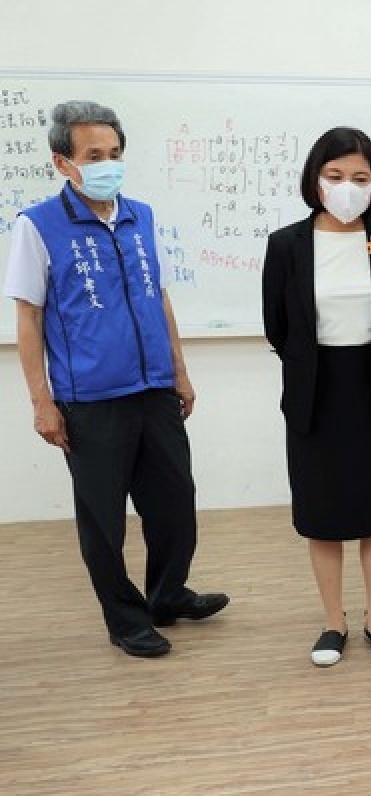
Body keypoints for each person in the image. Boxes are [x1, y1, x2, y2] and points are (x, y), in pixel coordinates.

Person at [3, 100, 228, 658]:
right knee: (104, 519)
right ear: (64, 163)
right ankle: (126, 619)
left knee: (175, 501)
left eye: (116, 153)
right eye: (95, 155)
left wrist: (179, 370)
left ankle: (168, 594)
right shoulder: (37, 226)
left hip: (154, 388)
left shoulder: (140, 216)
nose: (109, 163)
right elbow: (27, 316)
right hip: (90, 400)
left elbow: (160, 298)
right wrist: (42, 401)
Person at [262, 127, 371, 666]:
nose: (347, 187)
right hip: (315, 392)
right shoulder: (286, 245)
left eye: (359, 177)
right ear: (314, 179)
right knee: (322, 514)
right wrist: (314, 363)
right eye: (335, 176)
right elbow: (277, 327)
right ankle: (334, 622)